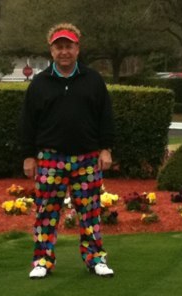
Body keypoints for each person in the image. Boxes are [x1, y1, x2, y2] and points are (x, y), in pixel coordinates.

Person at [21, 22, 115, 279]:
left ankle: (95, 259)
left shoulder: (93, 80)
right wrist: (29, 155)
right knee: (46, 212)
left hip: (86, 158)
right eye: (59, 47)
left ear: (77, 49)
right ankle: (42, 260)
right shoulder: (40, 83)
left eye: (69, 46)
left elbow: (105, 117)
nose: (64, 51)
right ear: (51, 51)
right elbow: (28, 122)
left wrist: (105, 149)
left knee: (90, 211)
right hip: (50, 158)